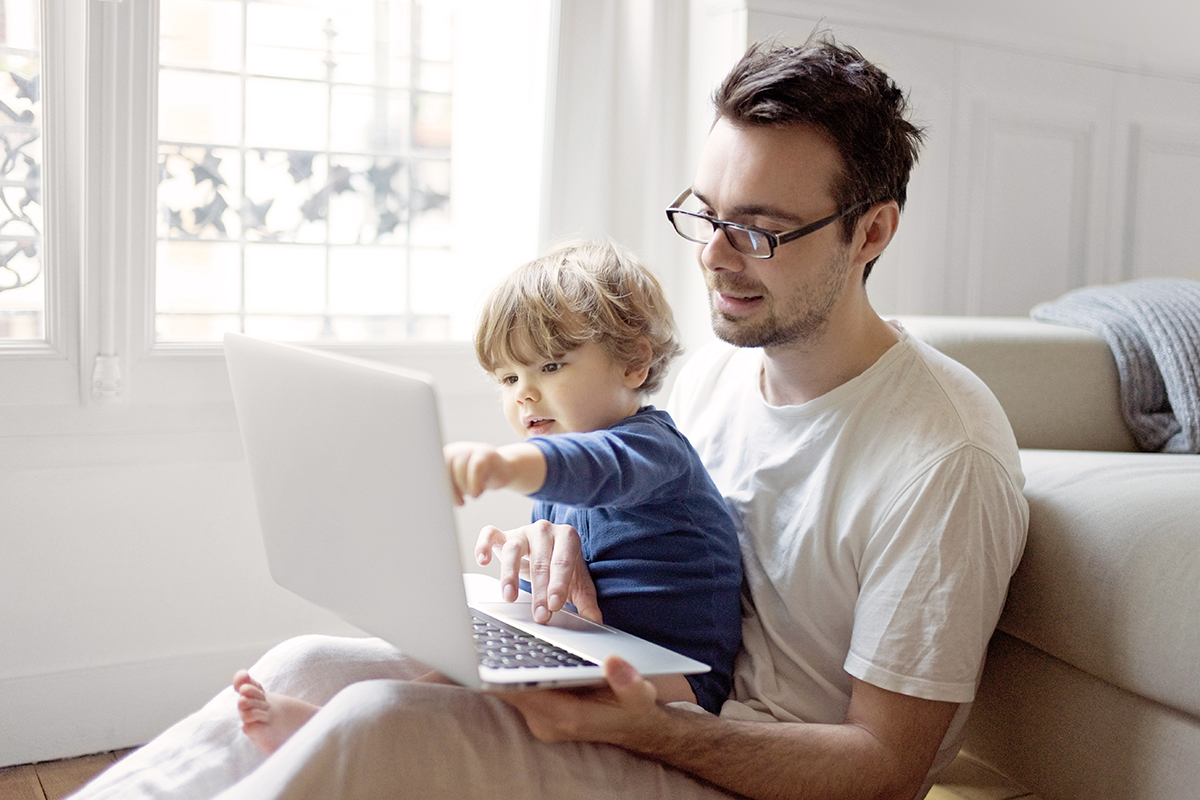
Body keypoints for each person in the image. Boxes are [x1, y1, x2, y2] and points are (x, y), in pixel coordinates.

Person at [69, 34, 1028, 800]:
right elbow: (641, 530)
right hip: (645, 699)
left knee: (371, 726)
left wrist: (648, 726)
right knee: (309, 664)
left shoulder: (944, 456)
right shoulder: (717, 382)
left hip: (729, 767)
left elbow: (887, 772)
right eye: (705, 214)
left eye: (762, 232)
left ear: (872, 231)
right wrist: (557, 564)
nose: (718, 258)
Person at [230, 240, 743, 754]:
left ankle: (329, 733)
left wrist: (504, 465)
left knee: (472, 694)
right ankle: (330, 726)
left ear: (633, 365)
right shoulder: (554, 475)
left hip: (679, 682)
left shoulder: (652, 449)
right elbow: (566, 587)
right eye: (508, 377)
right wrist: (519, 587)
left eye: (550, 367)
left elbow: (599, 468)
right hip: (599, 647)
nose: (523, 392)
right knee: (475, 664)